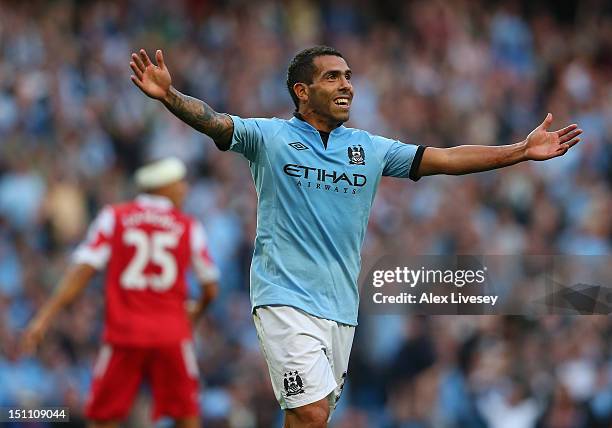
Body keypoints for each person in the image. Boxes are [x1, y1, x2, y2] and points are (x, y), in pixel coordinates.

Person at [128, 46, 582, 428]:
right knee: (310, 412)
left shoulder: (371, 147)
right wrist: (169, 95)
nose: (346, 85)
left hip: (341, 308)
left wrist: (520, 151)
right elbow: (214, 122)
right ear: (302, 92)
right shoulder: (270, 137)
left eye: (348, 76)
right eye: (332, 77)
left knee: (310, 416)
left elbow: (445, 158)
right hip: (283, 295)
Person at [22, 157, 219, 428]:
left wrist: (44, 317)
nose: (184, 189)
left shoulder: (114, 217)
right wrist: (197, 311)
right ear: (166, 187)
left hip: (125, 334)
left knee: (103, 418)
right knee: (186, 416)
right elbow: (210, 286)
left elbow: (82, 270)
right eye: (180, 183)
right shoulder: (188, 226)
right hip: (171, 334)